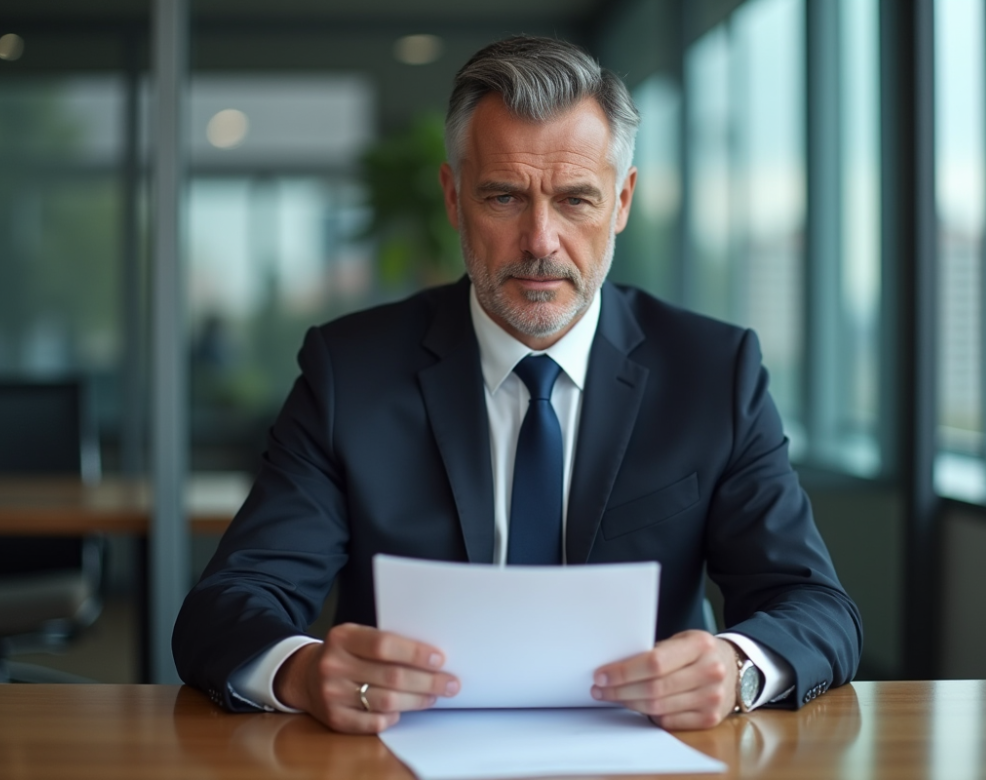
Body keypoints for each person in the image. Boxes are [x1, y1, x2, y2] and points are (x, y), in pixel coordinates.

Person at [173, 35, 862, 735]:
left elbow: (816, 608)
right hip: (395, 754)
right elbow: (226, 604)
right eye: (504, 197)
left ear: (621, 202)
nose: (540, 240)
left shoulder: (714, 372)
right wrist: (300, 670)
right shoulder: (349, 371)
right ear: (453, 197)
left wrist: (738, 667)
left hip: (645, 752)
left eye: (575, 200)